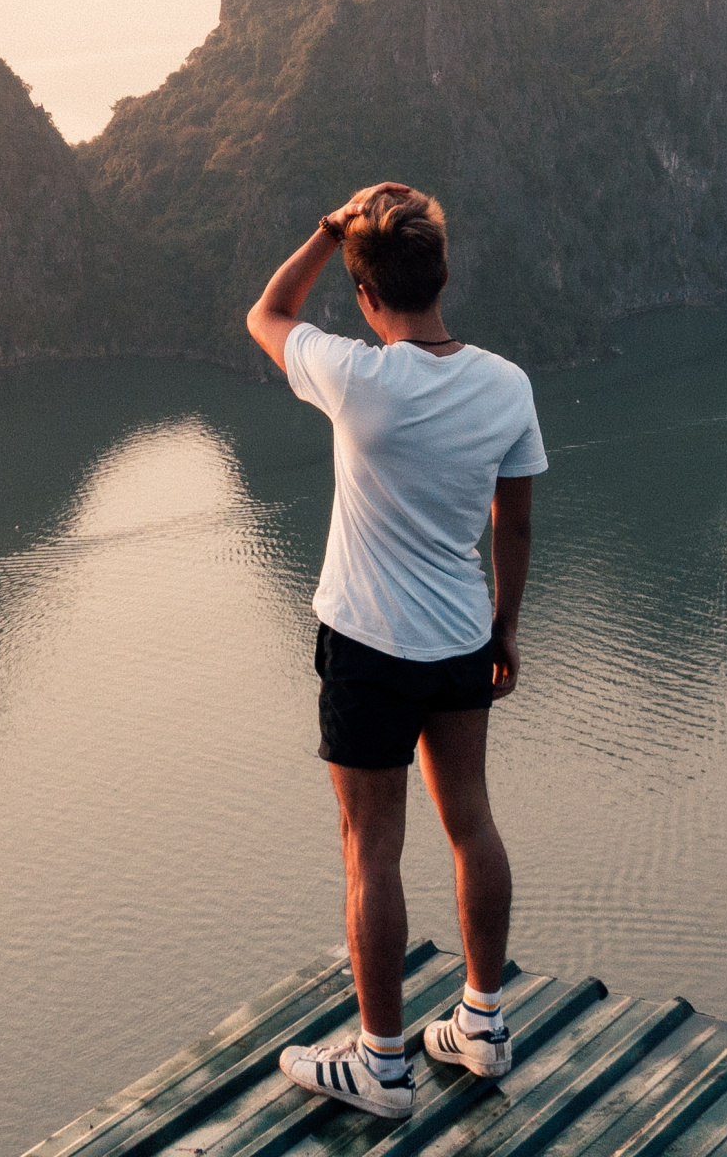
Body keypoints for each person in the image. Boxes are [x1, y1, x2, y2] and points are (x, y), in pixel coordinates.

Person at [248, 182, 542, 1121]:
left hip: (367, 646)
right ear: (445, 276)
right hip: (461, 639)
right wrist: (504, 628)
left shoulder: (354, 378)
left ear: (367, 295)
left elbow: (267, 313)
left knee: (371, 850)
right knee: (472, 823)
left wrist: (328, 230)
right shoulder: (506, 385)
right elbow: (513, 523)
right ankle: (482, 1024)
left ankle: (380, 1064)